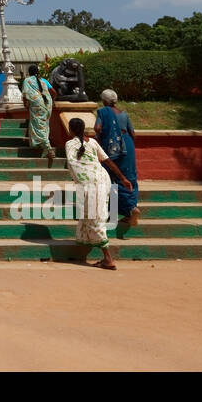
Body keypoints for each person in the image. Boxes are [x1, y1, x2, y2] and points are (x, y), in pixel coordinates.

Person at [64, 117, 133, 270]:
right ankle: (88, 250)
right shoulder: (93, 142)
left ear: (71, 130)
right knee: (92, 214)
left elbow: (72, 163)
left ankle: (108, 258)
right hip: (103, 180)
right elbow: (107, 161)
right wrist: (122, 178)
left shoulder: (70, 144)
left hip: (90, 184)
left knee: (95, 218)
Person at [95, 89, 140, 227]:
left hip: (112, 146)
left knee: (112, 177)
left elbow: (97, 128)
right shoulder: (124, 114)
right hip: (127, 144)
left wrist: (104, 137)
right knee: (129, 176)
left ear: (104, 101)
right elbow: (132, 133)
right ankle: (131, 208)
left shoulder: (103, 112)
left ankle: (115, 212)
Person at [22, 64, 55, 166]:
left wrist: (25, 105)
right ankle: (43, 148)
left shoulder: (27, 80)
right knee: (44, 126)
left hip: (37, 105)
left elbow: (25, 95)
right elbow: (54, 92)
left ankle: (48, 147)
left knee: (38, 127)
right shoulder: (43, 81)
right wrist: (53, 101)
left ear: (29, 72)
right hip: (47, 104)